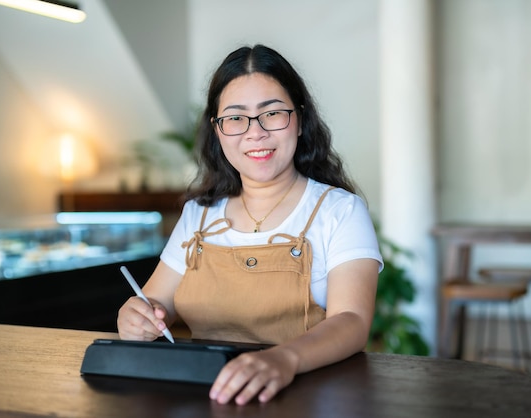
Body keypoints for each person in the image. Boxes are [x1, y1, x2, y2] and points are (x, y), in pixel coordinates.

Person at [117, 44, 383, 405]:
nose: (254, 132)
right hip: (210, 397)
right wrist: (135, 316)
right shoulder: (199, 213)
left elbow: (351, 320)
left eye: (272, 113)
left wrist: (283, 358)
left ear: (300, 120)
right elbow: (154, 300)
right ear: (218, 130)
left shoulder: (340, 210)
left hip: (308, 398)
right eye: (236, 117)